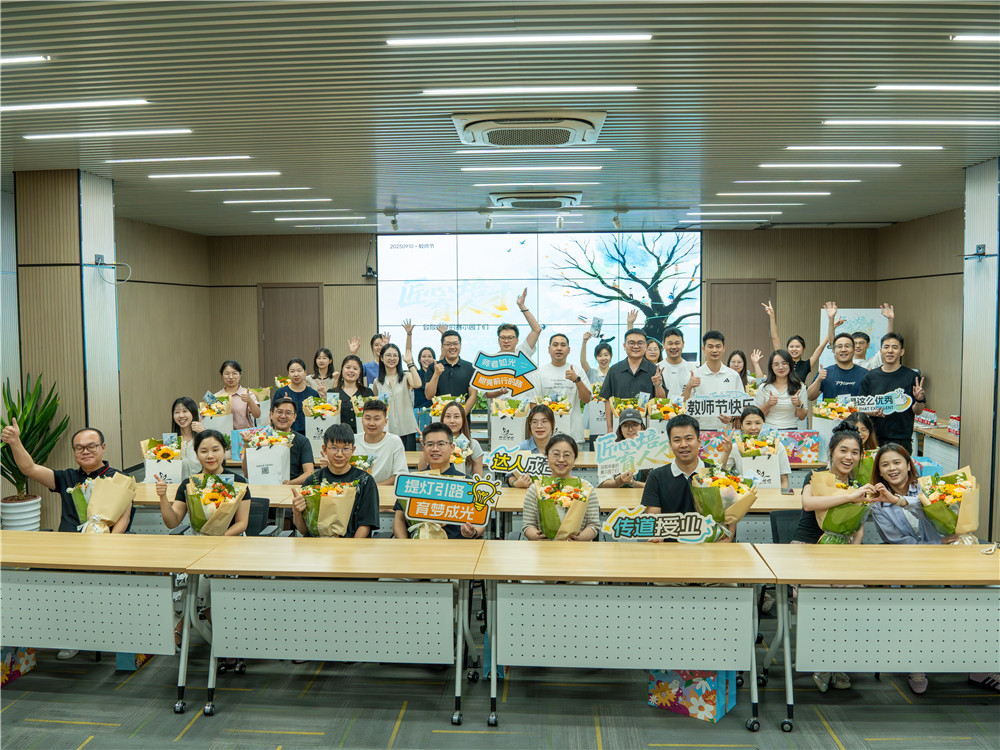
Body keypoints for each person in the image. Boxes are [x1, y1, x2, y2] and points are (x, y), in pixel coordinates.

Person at [1, 422, 129, 534]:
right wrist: (15, 442)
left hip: (104, 541)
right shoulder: (66, 477)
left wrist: (108, 543)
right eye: (79, 448)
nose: (85, 452)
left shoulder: (120, 479)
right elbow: (29, 468)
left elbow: (125, 517)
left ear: (103, 447)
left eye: (91, 446)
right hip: (67, 540)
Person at [643, 415, 736, 542]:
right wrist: (657, 537)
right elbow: (654, 519)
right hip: (670, 547)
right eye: (677, 440)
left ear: (699, 441)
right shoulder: (656, 477)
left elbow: (731, 518)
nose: (683, 445)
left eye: (689, 439)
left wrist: (724, 543)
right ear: (670, 445)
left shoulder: (716, 475)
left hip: (710, 546)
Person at [392, 422, 484, 540]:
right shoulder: (412, 482)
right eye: (430, 444)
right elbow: (399, 519)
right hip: (418, 547)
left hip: (456, 546)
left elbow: (480, 522)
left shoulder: (467, 483)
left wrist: (472, 532)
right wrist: (405, 544)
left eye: (441, 444)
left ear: (452, 448)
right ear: (423, 448)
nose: (435, 449)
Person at [291, 424, 379, 538]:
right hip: (317, 545)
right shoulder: (313, 481)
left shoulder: (365, 481)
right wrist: (297, 512)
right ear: (324, 449)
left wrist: (351, 546)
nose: (339, 454)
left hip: (351, 545)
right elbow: (304, 531)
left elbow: (365, 525)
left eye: (345, 449)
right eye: (334, 448)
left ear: (353, 450)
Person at [157, 429, 250, 536]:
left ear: (224, 452)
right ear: (197, 454)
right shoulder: (189, 484)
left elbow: (242, 522)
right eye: (204, 451)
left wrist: (220, 538)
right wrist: (162, 496)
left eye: (215, 450)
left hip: (230, 540)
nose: (210, 456)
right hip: (200, 542)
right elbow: (172, 522)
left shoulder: (238, 482)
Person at [521, 434, 600, 542]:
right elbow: (528, 524)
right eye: (556, 454)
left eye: (567, 455)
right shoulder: (536, 489)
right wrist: (536, 536)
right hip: (544, 547)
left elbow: (593, 525)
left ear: (575, 458)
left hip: (577, 548)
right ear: (547, 457)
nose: (561, 459)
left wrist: (579, 538)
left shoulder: (586, 488)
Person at [858, 333, 926, 445]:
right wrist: (872, 412)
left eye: (895, 347)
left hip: (902, 438)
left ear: (902, 351)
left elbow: (918, 411)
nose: (890, 351)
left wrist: (919, 399)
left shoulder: (912, 376)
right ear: (881, 351)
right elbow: (860, 407)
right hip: (874, 438)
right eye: (886, 347)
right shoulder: (870, 376)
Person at [531, 333, 592, 447]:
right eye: (555, 345)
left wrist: (577, 380)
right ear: (549, 349)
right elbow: (534, 404)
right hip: (547, 436)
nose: (559, 348)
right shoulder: (540, 373)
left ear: (569, 350)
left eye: (563, 345)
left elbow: (587, 399)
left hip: (573, 435)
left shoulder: (577, 370)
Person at [599, 327, 665, 432]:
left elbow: (662, 401)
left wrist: (658, 385)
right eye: (631, 343)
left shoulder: (654, 370)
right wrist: (610, 429)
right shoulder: (614, 370)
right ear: (624, 346)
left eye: (640, 343)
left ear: (645, 346)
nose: (636, 346)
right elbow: (608, 401)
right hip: (620, 429)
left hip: (647, 430)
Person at [482, 288, 543, 401]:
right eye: (503, 338)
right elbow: (487, 394)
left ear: (517, 340)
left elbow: (537, 330)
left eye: (510, 338)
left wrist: (522, 306)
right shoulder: (490, 362)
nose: (506, 341)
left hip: (522, 410)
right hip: (498, 411)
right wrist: (499, 392)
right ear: (498, 340)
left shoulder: (523, 352)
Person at [240, 397, 314, 486]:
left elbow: (309, 472)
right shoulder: (260, 439)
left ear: (294, 417)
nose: (283, 416)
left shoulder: (303, 441)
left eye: (288, 413)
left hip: (291, 488)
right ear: (271, 414)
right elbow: (247, 474)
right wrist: (247, 446)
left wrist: (290, 483)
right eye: (279, 412)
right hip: (263, 487)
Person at [763, 300, 839, 384]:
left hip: (800, 392)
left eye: (797, 346)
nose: (794, 349)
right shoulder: (783, 360)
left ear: (803, 348)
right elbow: (775, 338)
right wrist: (772, 316)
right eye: (791, 346)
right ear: (787, 348)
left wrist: (833, 326)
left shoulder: (807, 364)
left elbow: (821, 346)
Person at [717, 406, 791, 490]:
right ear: (741, 426)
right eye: (748, 423)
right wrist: (726, 452)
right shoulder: (735, 447)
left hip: (772, 493)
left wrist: (781, 496)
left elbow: (784, 479)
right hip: (744, 494)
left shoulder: (777, 446)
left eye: (758, 423)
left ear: (764, 424)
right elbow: (720, 472)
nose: (753, 427)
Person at [682, 330, 744, 431]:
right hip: (699, 431)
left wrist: (732, 418)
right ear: (703, 349)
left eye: (718, 346)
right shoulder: (694, 375)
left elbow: (740, 404)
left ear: (724, 348)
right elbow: (682, 405)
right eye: (710, 346)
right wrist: (689, 387)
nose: (714, 350)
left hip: (725, 431)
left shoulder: (733, 375)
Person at [372, 341, 421, 450]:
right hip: (387, 429)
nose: (392, 358)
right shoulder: (377, 382)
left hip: (407, 428)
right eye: (388, 355)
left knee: (408, 459)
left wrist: (410, 363)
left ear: (399, 358)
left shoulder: (406, 376)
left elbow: (418, 384)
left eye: (395, 355)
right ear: (381, 358)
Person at [416, 400, 484, 477]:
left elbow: (478, 477)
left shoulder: (473, 444)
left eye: (456, 417)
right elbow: (421, 470)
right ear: (442, 419)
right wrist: (426, 443)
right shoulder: (434, 443)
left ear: (463, 419)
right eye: (448, 416)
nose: (452, 421)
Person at [354, 399, 408, 486]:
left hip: (384, 490)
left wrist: (373, 487)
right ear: (362, 420)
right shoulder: (353, 440)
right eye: (368, 418)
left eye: (376, 419)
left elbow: (400, 475)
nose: (371, 423)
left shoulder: (394, 441)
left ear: (385, 422)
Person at [424, 329, 477, 416]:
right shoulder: (433, 367)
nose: (452, 347)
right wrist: (436, 374)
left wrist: (460, 416)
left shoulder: (470, 367)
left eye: (455, 344)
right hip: (440, 419)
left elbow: (473, 396)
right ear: (442, 346)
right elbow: (429, 395)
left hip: (463, 419)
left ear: (460, 345)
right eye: (448, 344)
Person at [754, 349, 807, 429]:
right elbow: (757, 416)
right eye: (776, 364)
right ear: (771, 367)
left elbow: (802, 417)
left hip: (791, 430)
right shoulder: (764, 387)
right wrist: (768, 404)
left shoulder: (799, 387)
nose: (781, 367)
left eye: (784, 363)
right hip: (769, 430)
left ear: (790, 365)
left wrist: (799, 405)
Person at [808, 333, 868, 401]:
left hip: (856, 408)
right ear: (834, 351)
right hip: (830, 408)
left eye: (847, 346)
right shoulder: (825, 373)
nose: (843, 349)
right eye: (839, 346)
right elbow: (810, 397)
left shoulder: (865, 374)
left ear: (854, 350)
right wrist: (818, 380)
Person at [507, 404, 555, 488]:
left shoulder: (559, 447)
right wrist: (516, 483)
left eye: (544, 421)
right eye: (535, 422)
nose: (539, 426)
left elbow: (567, 475)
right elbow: (509, 476)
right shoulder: (520, 448)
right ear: (529, 425)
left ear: (552, 424)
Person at [598, 408, 646, 488]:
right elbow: (603, 484)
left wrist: (632, 483)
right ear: (620, 429)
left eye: (634, 425)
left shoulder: (652, 450)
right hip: (617, 495)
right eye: (625, 426)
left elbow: (657, 485)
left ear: (642, 427)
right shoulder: (609, 450)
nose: (630, 429)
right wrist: (619, 482)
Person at [272, 358, 320, 435]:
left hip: (309, 434)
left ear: (305, 373)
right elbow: (273, 416)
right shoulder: (280, 393)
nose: (296, 374)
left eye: (299, 371)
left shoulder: (313, 394)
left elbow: (320, 417)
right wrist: (284, 404)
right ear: (288, 374)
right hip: (286, 434)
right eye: (292, 371)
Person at [581, 333, 614, 442]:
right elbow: (583, 362)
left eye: (606, 355)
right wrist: (584, 342)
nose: (603, 358)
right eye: (599, 355)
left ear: (611, 356)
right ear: (596, 357)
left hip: (609, 416)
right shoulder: (592, 373)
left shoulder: (615, 373)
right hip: (591, 415)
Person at [330, 354, 372, 434]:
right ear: (342, 370)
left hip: (363, 435)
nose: (351, 371)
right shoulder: (333, 393)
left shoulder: (367, 392)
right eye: (348, 367)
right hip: (339, 437)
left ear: (360, 372)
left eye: (355, 368)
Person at [216, 359, 260, 430]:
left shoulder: (248, 394)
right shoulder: (216, 396)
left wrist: (249, 400)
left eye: (234, 373)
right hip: (223, 434)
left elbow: (257, 415)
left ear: (240, 375)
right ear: (222, 375)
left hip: (245, 434)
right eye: (227, 374)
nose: (231, 377)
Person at [170, 396, 205, 479]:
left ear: (193, 413)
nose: (181, 415)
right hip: (179, 484)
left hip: (202, 483)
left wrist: (204, 433)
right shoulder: (171, 442)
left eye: (185, 411)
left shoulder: (203, 437)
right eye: (177, 412)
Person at [854, 303, 896, 369]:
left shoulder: (872, 362)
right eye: (855, 343)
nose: (858, 346)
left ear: (868, 345)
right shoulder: (846, 363)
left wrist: (890, 320)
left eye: (861, 343)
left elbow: (887, 342)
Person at [659, 327, 696, 399]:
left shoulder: (692, 370)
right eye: (670, 344)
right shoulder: (656, 368)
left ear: (683, 344)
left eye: (677, 343)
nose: (673, 347)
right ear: (663, 345)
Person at [412, 345, 437, 412]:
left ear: (434, 359)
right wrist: (409, 337)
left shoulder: (436, 374)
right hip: (419, 411)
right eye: (424, 356)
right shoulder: (416, 374)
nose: (426, 359)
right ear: (419, 359)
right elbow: (409, 358)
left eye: (429, 356)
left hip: (436, 410)